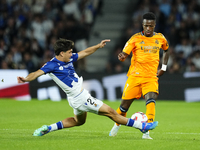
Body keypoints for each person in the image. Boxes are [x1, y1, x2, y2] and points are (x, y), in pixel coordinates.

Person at [17, 38, 158, 136]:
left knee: (79, 122)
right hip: (80, 97)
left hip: (74, 98)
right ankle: (143, 126)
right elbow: (36, 73)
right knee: (111, 113)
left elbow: (85, 52)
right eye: (69, 52)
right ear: (61, 53)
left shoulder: (69, 58)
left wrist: (98, 46)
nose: (72, 54)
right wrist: (25, 79)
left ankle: (48, 128)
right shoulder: (51, 65)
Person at [109, 12, 169, 139]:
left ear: (154, 25)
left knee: (151, 101)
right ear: (142, 25)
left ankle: (147, 132)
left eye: (151, 26)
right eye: (146, 25)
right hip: (135, 77)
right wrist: (122, 56)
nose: (148, 28)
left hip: (151, 77)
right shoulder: (135, 38)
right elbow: (124, 53)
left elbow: (166, 51)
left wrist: (163, 67)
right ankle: (116, 125)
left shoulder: (160, 38)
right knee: (123, 108)